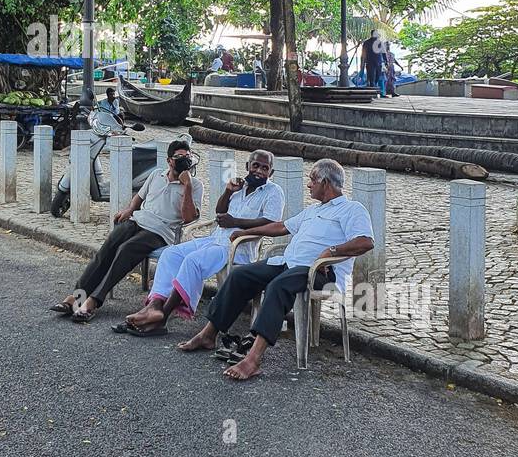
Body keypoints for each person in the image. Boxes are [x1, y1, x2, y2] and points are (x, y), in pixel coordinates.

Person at [177, 157, 374, 381]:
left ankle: (253, 359)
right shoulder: (313, 210)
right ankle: (208, 334)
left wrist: (332, 250)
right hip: (287, 264)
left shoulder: (351, 209)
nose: (309, 185)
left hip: (321, 273)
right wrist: (242, 231)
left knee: (278, 285)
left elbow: (365, 242)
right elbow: (282, 226)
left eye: (312, 180)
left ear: (325, 182)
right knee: (240, 275)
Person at [118, 150, 284, 336]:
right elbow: (220, 211)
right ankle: (154, 307)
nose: (259, 171)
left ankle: (162, 318)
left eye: (265, 168)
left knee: (193, 262)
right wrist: (228, 191)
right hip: (215, 238)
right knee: (171, 254)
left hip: (236, 246)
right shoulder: (240, 185)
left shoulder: (274, 192)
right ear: (247, 166)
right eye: (255, 165)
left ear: (271, 172)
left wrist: (237, 222)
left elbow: (272, 223)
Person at [51, 139, 203, 322]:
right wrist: (129, 210)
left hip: (160, 232)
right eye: (179, 157)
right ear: (170, 161)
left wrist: (186, 186)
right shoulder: (156, 175)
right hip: (137, 221)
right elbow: (138, 198)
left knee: (125, 250)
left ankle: (93, 301)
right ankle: (76, 297)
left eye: (187, 157)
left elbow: (188, 218)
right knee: (107, 249)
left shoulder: (195, 185)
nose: (184, 160)